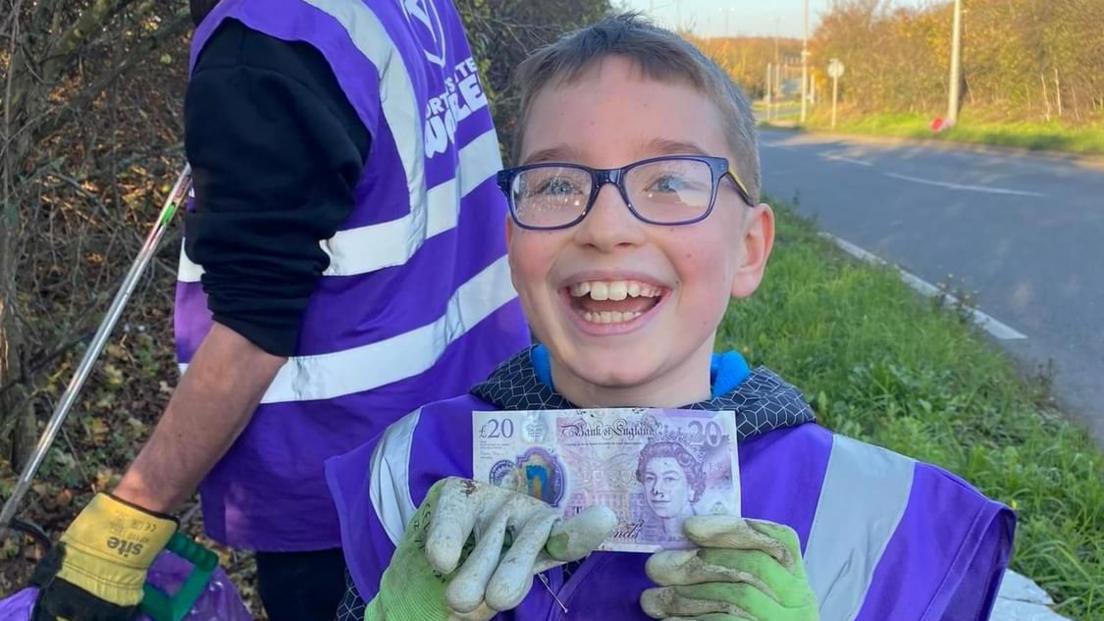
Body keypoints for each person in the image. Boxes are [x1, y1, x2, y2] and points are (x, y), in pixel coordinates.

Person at [325, 13, 1015, 621]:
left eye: (670, 181)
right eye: (558, 184)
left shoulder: (879, 517)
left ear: (749, 250)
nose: (606, 226)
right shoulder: (411, 469)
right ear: (514, 245)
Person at [28, 1, 528, 619]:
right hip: (464, 432)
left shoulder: (269, 42)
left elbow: (253, 321)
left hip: (341, 487)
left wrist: (126, 527)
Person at [637, 438, 706, 540]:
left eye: (669, 479)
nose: (656, 489)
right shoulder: (644, 535)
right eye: (650, 478)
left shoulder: (707, 533)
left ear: (692, 488)